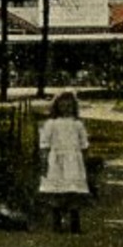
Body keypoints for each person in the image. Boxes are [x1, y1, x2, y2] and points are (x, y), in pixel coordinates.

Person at [38, 91, 92, 233]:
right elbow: (44, 144)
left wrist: (85, 162)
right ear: (56, 107)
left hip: (74, 161)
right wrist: (44, 161)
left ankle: (75, 223)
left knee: (74, 191)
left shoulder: (77, 124)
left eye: (69, 106)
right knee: (57, 191)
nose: (66, 108)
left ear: (74, 107)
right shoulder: (51, 124)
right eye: (62, 105)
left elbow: (84, 145)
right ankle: (57, 223)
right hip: (56, 161)